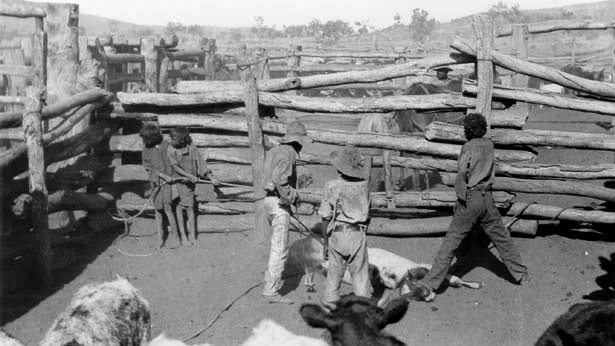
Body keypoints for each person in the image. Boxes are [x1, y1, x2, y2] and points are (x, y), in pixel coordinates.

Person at [417, 113, 529, 302]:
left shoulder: (468, 147)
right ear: (483, 129)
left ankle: (429, 284)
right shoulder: (489, 145)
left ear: (468, 130)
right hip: (487, 198)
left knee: (451, 242)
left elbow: (463, 172)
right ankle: (521, 275)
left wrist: (461, 196)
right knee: (502, 238)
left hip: (471, 198)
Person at [255, 120, 311, 304]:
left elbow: (270, 177)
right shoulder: (288, 153)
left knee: (275, 245)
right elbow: (280, 179)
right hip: (278, 203)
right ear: (298, 141)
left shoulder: (275, 150)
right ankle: (270, 291)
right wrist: (290, 197)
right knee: (280, 249)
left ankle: (268, 280)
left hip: (269, 201)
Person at [319, 146, 372, 310]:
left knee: (334, 274)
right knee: (361, 276)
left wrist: (326, 242)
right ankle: (363, 309)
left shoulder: (332, 186)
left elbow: (325, 216)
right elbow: (369, 214)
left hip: (338, 234)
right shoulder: (365, 186)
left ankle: (331, 305)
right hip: (358, 234)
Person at [167, 126, 220, 246]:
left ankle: (192, 234)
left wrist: (211, 178)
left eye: (173, 139)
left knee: (190, 208)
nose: (170, 141)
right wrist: (189, 176)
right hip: (178, 182)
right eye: (170, 138)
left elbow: (200, 163)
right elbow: (175, 167)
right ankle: (183, 236)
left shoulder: (191, 147)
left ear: (182, 140)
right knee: (179, 208)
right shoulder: (170, 150)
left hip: (190, 184)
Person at [139, 122, 179, 249]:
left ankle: (176, 237)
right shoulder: (146, 150)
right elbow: (148, 168)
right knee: (157, 210)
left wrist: (170, 176)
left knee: (167, 208)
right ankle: (160, 239)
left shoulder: (166, 145)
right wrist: (160, 176)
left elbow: (173, 161)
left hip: (168, 183)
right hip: (156, 182)